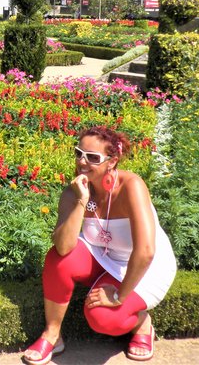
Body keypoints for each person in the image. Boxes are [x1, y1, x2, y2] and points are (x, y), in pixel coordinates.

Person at [23, 126, 176, 365]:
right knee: (57, 258)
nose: (82, 161)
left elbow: (146, 251)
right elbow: (63, 247)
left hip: (145, 266)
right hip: (103, 254)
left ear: (112, 161)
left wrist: (119, 296)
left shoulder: (131, 186)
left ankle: (141, 323)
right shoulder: (75, 191)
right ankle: (52, 335)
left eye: (92, 157)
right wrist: (81, 201)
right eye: (78, 153)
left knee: (103, 319)